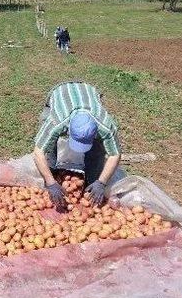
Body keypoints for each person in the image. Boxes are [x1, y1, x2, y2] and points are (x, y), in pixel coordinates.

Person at [33, 82, 122, 210]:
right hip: (61, 92)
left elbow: (115, 154)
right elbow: (38, 152)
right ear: (68, 129)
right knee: (49, 149)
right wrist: (50, 182)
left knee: (97, 150)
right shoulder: (56, 121)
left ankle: (91, 183)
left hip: (89, 92)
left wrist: (101, 183)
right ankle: (51, 178)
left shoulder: (105, 125)